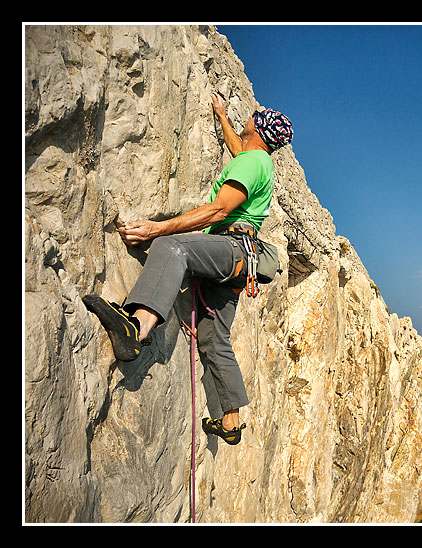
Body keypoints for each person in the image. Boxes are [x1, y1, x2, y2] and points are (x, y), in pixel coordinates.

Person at [82, 93, 293, 445]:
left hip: (230, 247)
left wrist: (157, 228)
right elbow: (238, 149)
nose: (247, 120)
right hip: (243, 263)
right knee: (214, 338)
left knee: (172, 247)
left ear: (258, 126)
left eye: (252, 118)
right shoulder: (259, 162)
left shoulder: (252, 162)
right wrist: (222, 117)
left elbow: (219, 211)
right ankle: (230, 420)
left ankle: (137, 327)